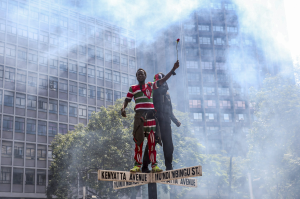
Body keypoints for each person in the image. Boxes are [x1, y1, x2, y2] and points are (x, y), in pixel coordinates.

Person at [121, 61, 179, 173]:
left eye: (142, 73)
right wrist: (123, 108)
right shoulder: (139, 88)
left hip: (158, 119)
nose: (140, 75)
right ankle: (140, 166)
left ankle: (161, 166)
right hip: (146, 118)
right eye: (138, 74)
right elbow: (127, 100)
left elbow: (163, 82)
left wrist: (173, 69)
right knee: (144, 142)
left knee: (159, 143)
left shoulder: (156, 89)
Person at [142, 73, 181, 172]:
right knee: (152, 143)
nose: (161, 84)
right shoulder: (152, 91)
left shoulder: (167, 95)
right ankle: (145, 166)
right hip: (155, 122)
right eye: (158, 81)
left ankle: (169, 167)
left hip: (166, 123)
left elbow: (169, 110)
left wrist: (175, 120)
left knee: (169, 145)